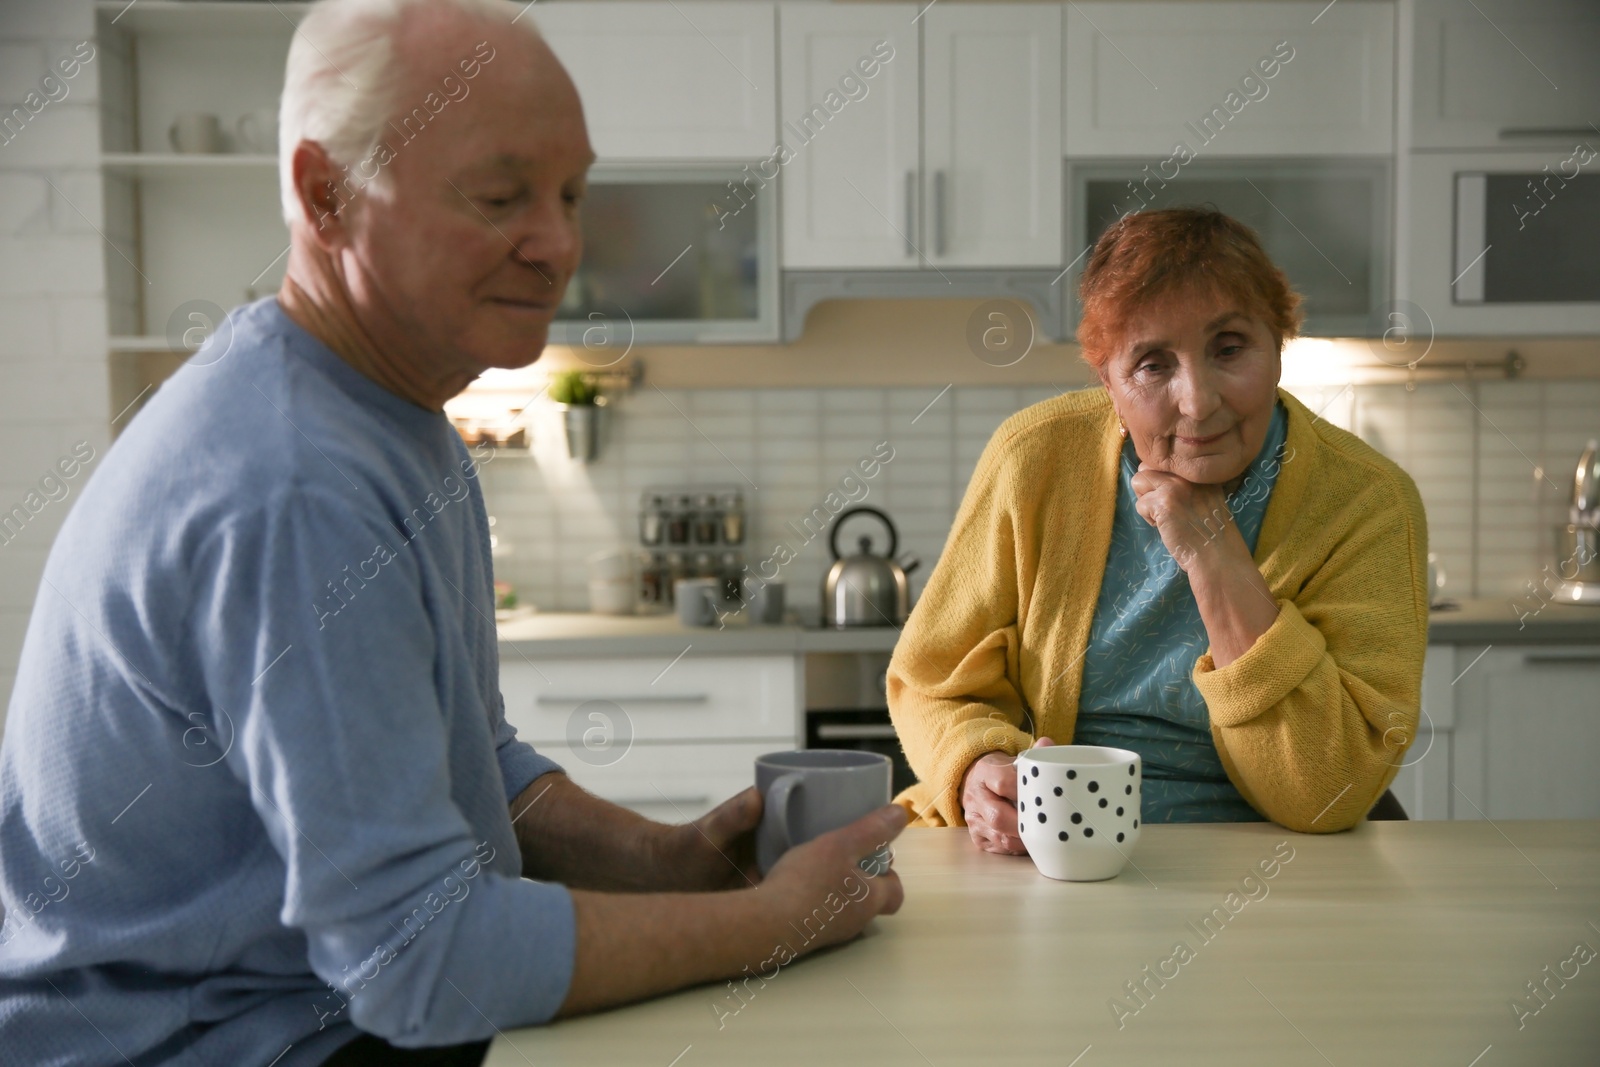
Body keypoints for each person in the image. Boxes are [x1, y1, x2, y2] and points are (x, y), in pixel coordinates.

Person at [0, 2, 905, 1064]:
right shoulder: (295, 484)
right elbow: (418, 963)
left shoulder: (392, 407)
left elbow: (476, 757)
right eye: (499, 195)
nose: (561, 242)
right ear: (324, 194)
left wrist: (666, 859)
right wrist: (771, 920)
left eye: (570, 194)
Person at [887, 208, 1429, 853]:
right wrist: (979, 767)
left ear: (1278, 344)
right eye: (1151, 365)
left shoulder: (1368, 502)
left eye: (1229, 348)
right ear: (1107, 380)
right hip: (1047, 850)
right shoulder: (1033, 458)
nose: (1197, 401)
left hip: (1264, 860)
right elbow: (932, 680)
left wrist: (1214, 551)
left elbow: (1324, 792)